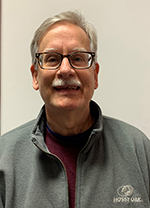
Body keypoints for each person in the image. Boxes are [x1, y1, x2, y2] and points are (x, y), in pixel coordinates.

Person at [0, 10, 150, 208]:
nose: (65, 70)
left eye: (78, 58)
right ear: (35, 75)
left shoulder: (139, 150)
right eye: (52, 58)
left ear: (95, 75)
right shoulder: (4, 158)